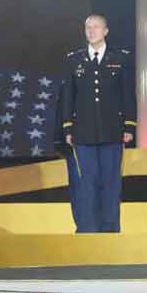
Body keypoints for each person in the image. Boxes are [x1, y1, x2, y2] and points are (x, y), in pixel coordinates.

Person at [60, 14, 136, 233]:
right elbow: (68, 95)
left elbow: (127, 95)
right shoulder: (74, 59)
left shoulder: (120, 58)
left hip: (112, 132)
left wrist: (129, 126)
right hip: (83, 133)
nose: (91, 31)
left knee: (111, 183)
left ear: (106, 31)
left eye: (96, 27)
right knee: (87, 183)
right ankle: (88, 229)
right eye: (88, 27)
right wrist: (67, 126)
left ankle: (110, 230)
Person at [53, 84, 82, 231]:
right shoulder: (70, 73)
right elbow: (64, 107)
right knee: (78, 188)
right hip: (75, 144)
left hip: (105, 142)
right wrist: (59, 141)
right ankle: (83, 228)